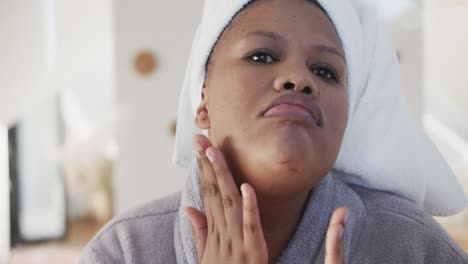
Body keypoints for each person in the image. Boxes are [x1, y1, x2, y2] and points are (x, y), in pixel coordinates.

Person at [80, 0, 468, 263]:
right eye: (261, 56)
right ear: (202, 101)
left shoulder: (412, 248)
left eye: (325, 71)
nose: (300, 78)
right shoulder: (124, 251)